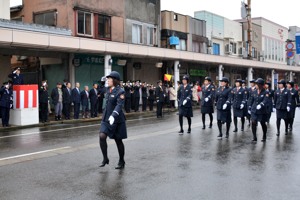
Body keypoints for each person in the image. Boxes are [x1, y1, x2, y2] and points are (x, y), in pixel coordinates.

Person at [99, 71, 127, 170]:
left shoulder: (121, 91)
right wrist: (101, 82)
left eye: (109, 79)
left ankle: (121, 160)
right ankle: (105, 158)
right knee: (102, 136)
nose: (108, 80)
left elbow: (119, 105)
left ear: (115, 80)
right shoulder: (107, 89)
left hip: (117, 120)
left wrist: (114, 115)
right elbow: (100, 90)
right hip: (106, 118)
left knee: (118, 141)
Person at [248, 78, 269, 142]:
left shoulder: (266, 92)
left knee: (262, 123)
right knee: (253, 122)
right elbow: (251, 100)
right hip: (254, 110)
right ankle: (254, 137)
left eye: (257, 84)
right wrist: (249, 107)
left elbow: (266, 100)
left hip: (262, 110)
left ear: (261, 85)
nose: (256, 85)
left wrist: (261, 104)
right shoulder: (254, 91)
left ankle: (264, 135)